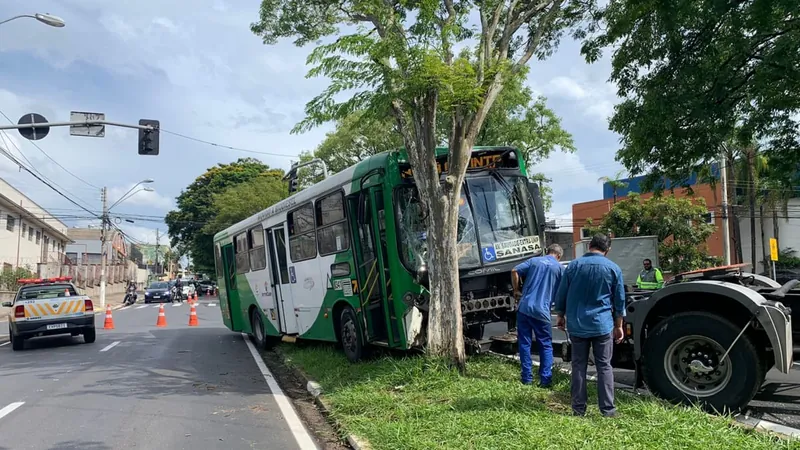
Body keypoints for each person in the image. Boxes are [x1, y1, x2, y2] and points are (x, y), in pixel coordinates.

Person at [554, 233, 625, 417]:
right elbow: (619, 301)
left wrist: (560, 315)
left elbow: (562, 293)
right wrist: (619, 326)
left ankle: (578, 409)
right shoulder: (613, 268)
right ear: (607, 250)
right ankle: (608, 410)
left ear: (589, 246)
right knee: (604, 366)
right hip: (602, 325)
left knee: (578, 366)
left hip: (577, 324)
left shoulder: (573, 266)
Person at [511, 244, 564, 387]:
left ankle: (526, 378)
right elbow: (561, 294)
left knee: (524, 343)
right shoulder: (559, 269)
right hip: (542, 312)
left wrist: (516, 290)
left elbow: (515, 270)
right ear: (559, 256)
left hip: (524, 308)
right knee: (545, 345)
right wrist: (561, 314)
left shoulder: (534, 261)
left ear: (547, 251)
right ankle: (545, 380)